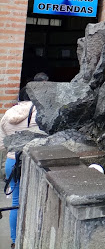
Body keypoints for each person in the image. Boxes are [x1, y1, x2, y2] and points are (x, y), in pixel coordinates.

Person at [0, 73, 46, 248]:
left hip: (12, 162)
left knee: (15, 202)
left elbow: (2, 144)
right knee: (37, 200)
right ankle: (32, 238)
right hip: (35, 162)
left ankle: (14, 241)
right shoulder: (41, 114)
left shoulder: (8, 114)